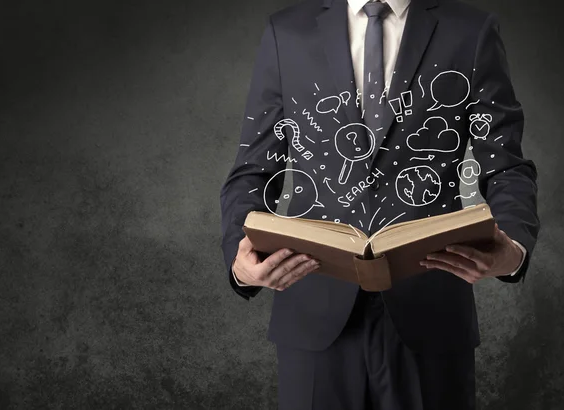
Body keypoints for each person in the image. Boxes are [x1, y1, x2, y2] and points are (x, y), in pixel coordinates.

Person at [219, 0, 540, 408]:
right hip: (312, 308)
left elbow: (508, 167)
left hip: (433, 309)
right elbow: (251, 170)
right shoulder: (287, 33)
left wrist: (512, 250)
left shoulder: (471, 31)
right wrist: (239, 261)